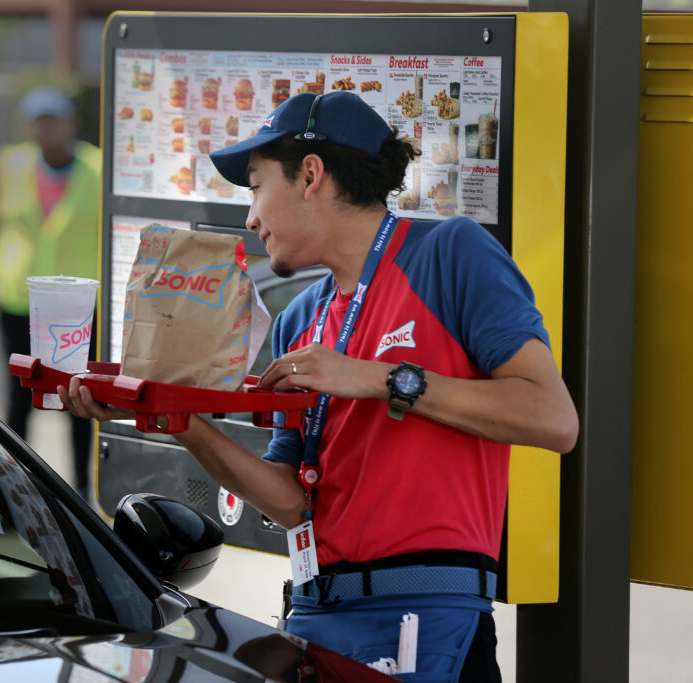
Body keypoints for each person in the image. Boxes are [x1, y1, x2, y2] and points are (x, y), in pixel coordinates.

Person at [58, 91, 578, 682]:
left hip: (426, 621)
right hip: (313, 619)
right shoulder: (298, 318)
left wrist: (380, 379)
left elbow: (553, 418)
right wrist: (175, 418)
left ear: (310, 175)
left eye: (255, 186)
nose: (250, 217)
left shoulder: (451, 252)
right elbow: (289, 500)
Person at [0, 85, 101, 498]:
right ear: (27, 126)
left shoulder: (97, 167)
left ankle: (81, 492)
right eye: (40, 121)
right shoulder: (9, 165)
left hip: (78, 306)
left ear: (71, 123)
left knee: (79, 397)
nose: (48, 129)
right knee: (20, 397)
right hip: (18, 301)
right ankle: (17, 485)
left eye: (55, 119)